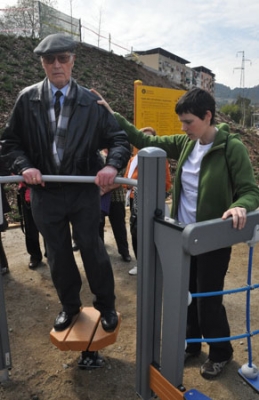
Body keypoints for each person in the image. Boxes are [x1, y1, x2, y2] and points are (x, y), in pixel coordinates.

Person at [92, 87, 259, 378]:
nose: (183, 127)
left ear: (208, 117)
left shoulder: (232, 148)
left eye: (189, 121)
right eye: (181, 122)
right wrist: (112, 113)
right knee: (187, 294)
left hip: (211, 238)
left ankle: (221, 352)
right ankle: (192, 345)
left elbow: (249, 191)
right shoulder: (185, 143)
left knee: (208, 298)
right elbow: (146, 140)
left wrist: (239, 207)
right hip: (185, 237)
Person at [1, 33, 130, 335]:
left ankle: (106, 305)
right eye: (50, 60)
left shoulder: (90, 101)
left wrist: (112, 165)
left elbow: (118, 138)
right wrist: (25, 166)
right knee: (57, 252)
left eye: (63, 58)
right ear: (43, 63)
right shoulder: (27, 99)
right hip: (45, 192)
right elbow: (10, 142)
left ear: (73, 60)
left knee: (92, 248)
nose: (57, 65)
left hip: (82, 189)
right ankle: (69, 306)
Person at [124, 132, 171, 275]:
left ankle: (156, 264)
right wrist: (132, 185)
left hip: (152, 200)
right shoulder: (133, 160)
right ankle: (140, 264)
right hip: (135, 199)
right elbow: (126, 179)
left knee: (153, 231)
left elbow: (166, 183)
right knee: (135, 231)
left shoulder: (161, 160)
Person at [99, 149, 131, 263]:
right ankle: (100, 251)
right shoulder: (97, 155)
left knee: (119, 226)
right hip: (99, 197)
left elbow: (123, 176)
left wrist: (105, 189)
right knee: (98, 224)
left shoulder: (120, 156)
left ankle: (124, 252)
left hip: (116, 197)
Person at [17, 183, 46, 269]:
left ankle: (51, 253)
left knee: (51, 227)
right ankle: (35, 256)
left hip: (48, 192)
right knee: (30, 228)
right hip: (28, 193)